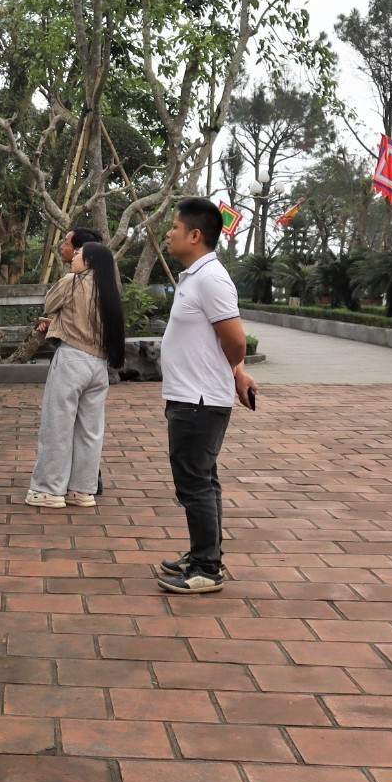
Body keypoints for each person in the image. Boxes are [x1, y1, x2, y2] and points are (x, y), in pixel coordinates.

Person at [156, 197, 256, 595]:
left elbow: (235, 340)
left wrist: (234, 371)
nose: (168, 233)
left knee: (193, 482)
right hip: (190, 396)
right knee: (203, 480)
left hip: (199, 400)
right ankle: (204, 553)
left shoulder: (211, 278)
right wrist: (234, 372)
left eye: (174, 228)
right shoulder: (194, 276)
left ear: (195, 236)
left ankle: (206, 569)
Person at [26, 232, 126, 508]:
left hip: (71, 360)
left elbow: (50, 303)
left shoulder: (72, 281)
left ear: (90, 260)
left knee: (57, 426)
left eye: (80, 254)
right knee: (89, 431)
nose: (74, 257)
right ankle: (81, 490)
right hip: (98, 365)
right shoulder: (107, 290)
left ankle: (48, 490)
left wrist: (55, 316)